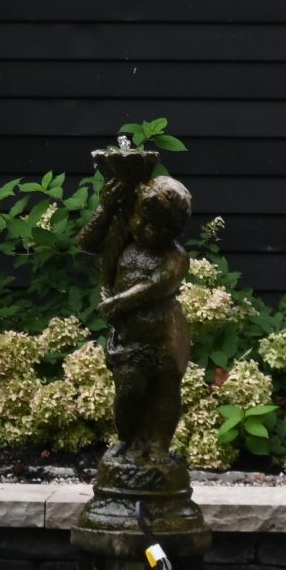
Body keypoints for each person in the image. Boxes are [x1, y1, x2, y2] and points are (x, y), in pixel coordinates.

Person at [96, 175, 193, 465]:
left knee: (165, 393)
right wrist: (106, 208)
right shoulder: (123, 239)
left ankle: (159, 447)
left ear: (172, 231)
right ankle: (127, 441)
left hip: (166, 339)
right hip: (129, 339)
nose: (143, 228)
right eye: (140, 218)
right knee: (129, 393)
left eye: (155, 227)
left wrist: (116, 303)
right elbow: (88, 242)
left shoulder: (176, 256)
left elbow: (155, 286)